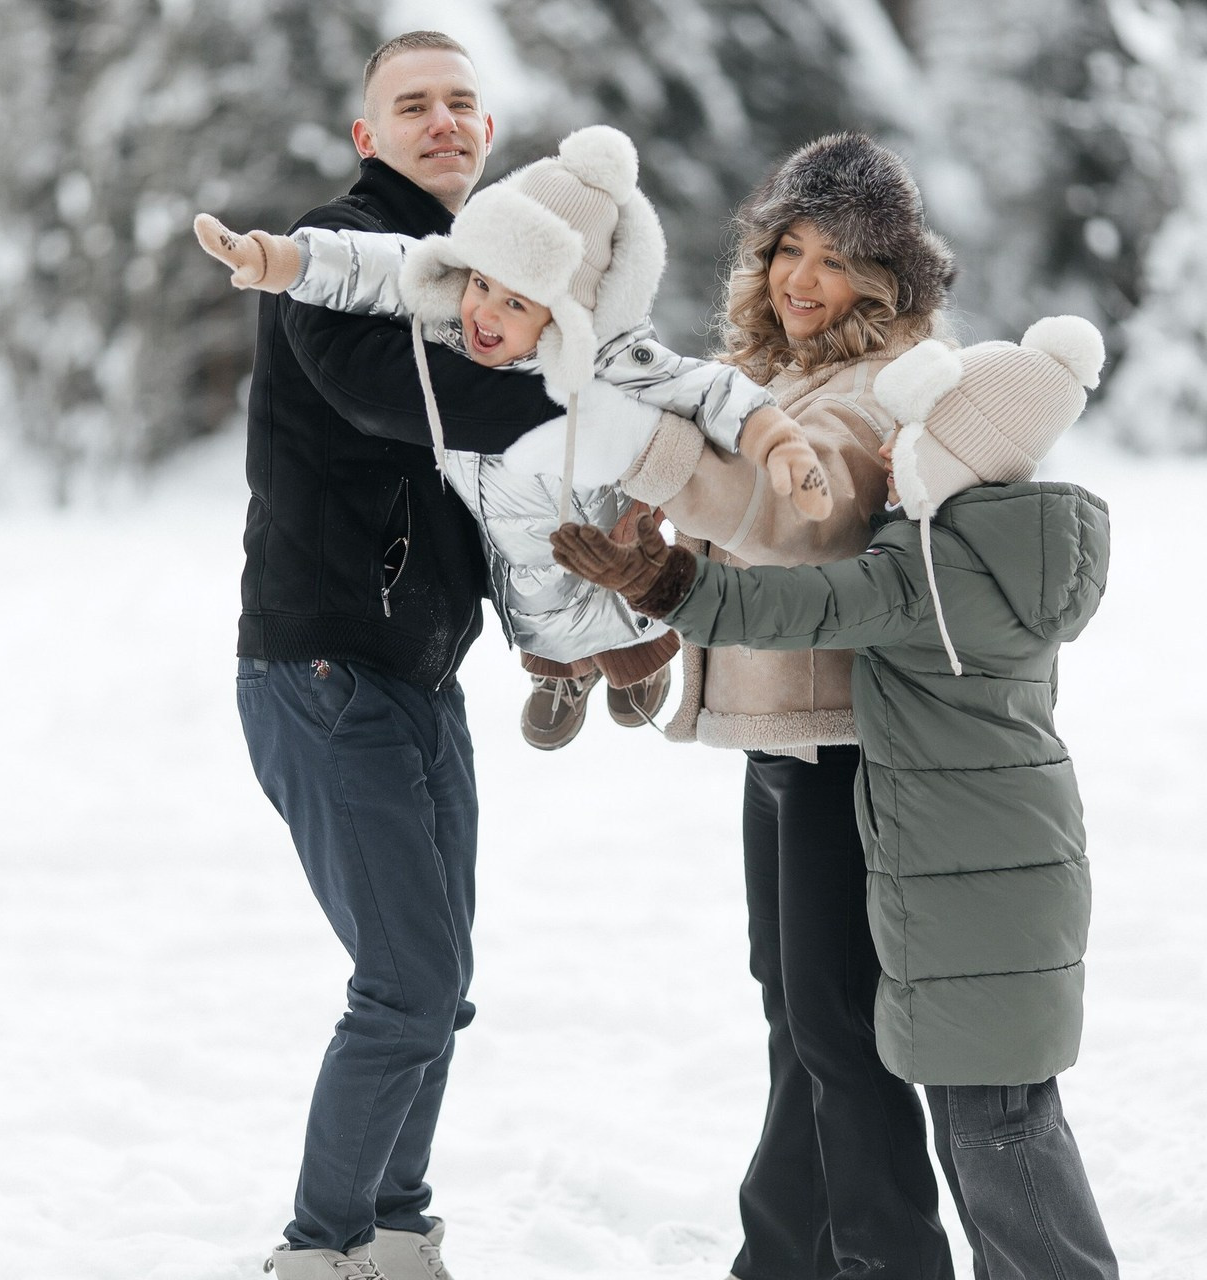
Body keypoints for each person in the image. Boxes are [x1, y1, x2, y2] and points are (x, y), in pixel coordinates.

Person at [550, 314, 1119, 1280]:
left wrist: (669, 582)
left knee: (993, 1131)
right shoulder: (1013, 546)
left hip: (964, 878)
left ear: (959, 453)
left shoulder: (931, 570)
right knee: (999, 1116)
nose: (889, 454)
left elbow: (795, 607)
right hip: (1003, 871)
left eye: (912, 437)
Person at [515, 131, 958, 1278]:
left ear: (887, 279)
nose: (800, 280)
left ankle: (886, 1259)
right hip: (778, 735)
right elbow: (734, 513)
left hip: (846, 740)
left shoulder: (883, 383)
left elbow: (799, 517)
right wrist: (649, 530)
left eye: (834, 260)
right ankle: (785, 1257)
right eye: (786, 250)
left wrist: (658, 456)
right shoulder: (772, 374)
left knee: (838, 1029)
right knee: (795, 1014)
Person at [229, 30, 569, 1280]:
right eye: (412, 105)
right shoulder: (337, 258)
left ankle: (393, 1224)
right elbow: (416, 403)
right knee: (408, 981)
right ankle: (314, 1248)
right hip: (319, 662)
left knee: (441, 978)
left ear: (488, 133)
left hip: (421, 673)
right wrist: (599, 397)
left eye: (462, 104)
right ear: (368, 136)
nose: (443, 121)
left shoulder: (473, 278)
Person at [196, 126, 831, 751]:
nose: (485, 314)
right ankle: (561, 678)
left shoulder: (612, 360)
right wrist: (282, 261)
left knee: (612, 614)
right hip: (515, 554)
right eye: (481, 285)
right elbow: (380, 266)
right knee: (538, 611)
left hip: (600, 546)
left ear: (564, 316)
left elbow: (708, 388)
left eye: (516, 304)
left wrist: (778, 440)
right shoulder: (456, 317)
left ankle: (639, 658)